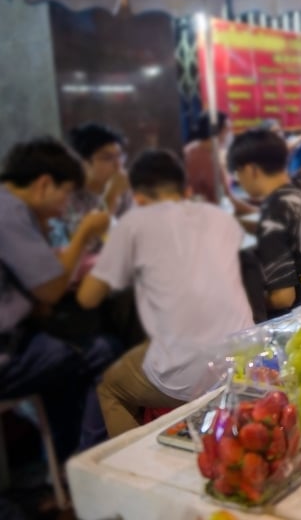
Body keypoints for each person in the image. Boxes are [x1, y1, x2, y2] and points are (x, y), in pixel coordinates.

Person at [76, 150, 253, 437]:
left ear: (138, 198)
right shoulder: (220, 217)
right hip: (248, 359)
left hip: (194, 375)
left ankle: (138, 464)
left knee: (109, 387)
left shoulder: (134, 224)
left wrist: (89, 229)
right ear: (185, 190)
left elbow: (87, 297)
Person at [0, 139, 117, 459]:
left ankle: (67, 459)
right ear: (43, 184)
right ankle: (90, 459)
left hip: (18, 338)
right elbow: (50, 287)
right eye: (65, 194)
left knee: (63, 356)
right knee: (103, 351)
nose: (65, 205)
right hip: (6, 355)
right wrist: (85, 232)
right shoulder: (10, 212)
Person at [228, 129, 301, 315]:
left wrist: (248, 302)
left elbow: (283, 298)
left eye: (238, 172)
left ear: (251, 170)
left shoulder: (273, 214)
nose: (239, 180)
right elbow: (291, 227)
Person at [49, 124, 132, 250]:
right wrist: (111, 199)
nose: (118, 165)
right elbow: (84, 248)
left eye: (120, 156)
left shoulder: (123, 190)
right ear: (82, 163)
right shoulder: (68, 196)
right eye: (107, 158)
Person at [183, 111, 233, 205]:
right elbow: (228, 199)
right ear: (218, 131)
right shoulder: (209, 159)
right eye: (227, 130)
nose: (229, 134)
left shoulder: (190, 149)